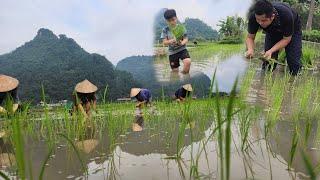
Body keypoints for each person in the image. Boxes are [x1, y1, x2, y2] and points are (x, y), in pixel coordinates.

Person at [245, 0, 302, 75]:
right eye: (258, 20)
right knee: (268, 61)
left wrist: (271, 50)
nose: (260, 23)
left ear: (272, 16)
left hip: (293, 30)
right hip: (272, 31)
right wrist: (250, 49)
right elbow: (250, 37)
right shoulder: (253, 17)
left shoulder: (286, 15)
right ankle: (265, 80)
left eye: (263, 20)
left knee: (293, 62)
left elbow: (286, 39)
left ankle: (295, 77)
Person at [161, 9, 191, 74]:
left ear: (176, 18)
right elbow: (164, 42)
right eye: (169, 21)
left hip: (182, 49)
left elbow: (186, 39)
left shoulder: (181, 28)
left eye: (173, 19)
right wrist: (172, 40)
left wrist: (182, 43)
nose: (172, 22)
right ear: (166, 21)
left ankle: (185, 77)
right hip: (172, 53)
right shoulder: (165, 30)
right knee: (175, 72)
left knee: (188, 62)